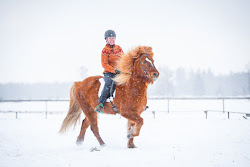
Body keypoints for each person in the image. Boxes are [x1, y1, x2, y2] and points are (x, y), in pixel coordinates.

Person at [94, 30, 124, 113]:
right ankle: (101, 103)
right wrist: (114, 70)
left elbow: (124, 58)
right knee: (109, 83)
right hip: (109, 72)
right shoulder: (104, 50)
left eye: (113, 38)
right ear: (106, 39)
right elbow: (104, 64)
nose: (112, 40)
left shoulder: (118, 48)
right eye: (110, 38)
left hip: (120, 71)